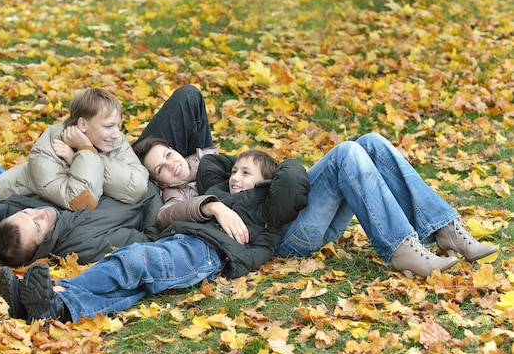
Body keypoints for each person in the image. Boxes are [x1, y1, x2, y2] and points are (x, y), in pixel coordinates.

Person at [134, 126, 497, 278]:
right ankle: (402, 247)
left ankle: (445, 228)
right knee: (344, 154)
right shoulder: (175, 196)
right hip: (284, 237)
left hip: (292, 214)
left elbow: (266, 173)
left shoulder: (212, 161)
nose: (171, 163)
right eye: (161, 168)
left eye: (168, 153)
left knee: (368, 142)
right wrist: (213, 205)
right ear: (156, 180)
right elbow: (166, 216)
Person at [0, 149, 310, 323]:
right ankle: (54, 310)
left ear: (268, 184)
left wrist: (268, 168)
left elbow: (293, 177)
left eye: (245, 173)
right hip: (181, 244)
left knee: (132, 262)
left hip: (205, 252)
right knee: (132, 287)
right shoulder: (219, 191)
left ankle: (53, 289)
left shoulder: (268, 212)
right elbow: (212, 161)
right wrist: (241, 166)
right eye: (235, 171)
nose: (235, 177)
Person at [0, 86, 208, 211]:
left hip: (22, 177)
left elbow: (135, 186)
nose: (118, 135)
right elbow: (81, 200)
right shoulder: (47, 150)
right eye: (109, 127)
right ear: (83, 124)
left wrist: (83, 152)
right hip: (5, 197)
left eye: (118, 125)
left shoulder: (107, 140)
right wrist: (88, 153)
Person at [0, 183, 163, 268]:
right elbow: (152, 239)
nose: (39, 213)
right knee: (188, 96)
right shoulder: (84, 245)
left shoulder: (11, 225)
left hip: (118, 165)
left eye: (27, 212)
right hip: (155, 187)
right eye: (38, 226)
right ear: (42, 246)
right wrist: (153, 188)